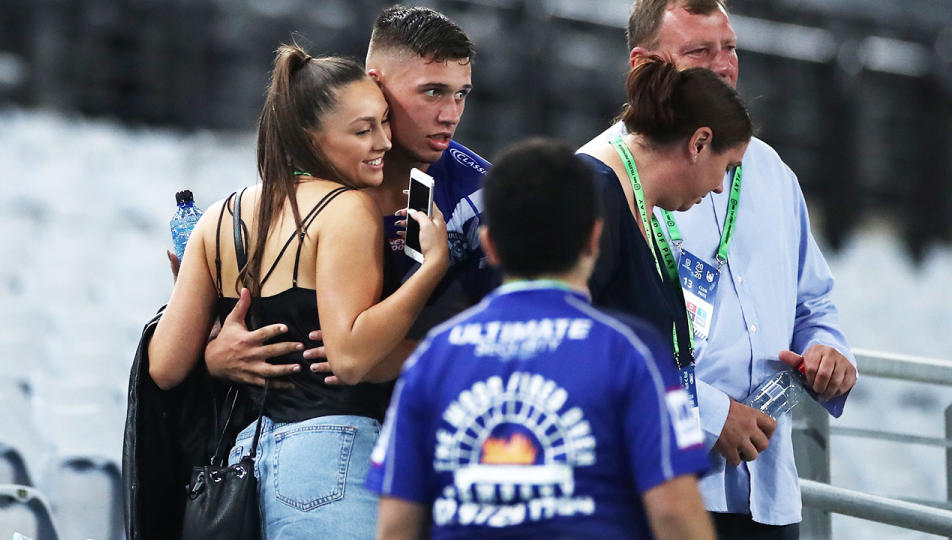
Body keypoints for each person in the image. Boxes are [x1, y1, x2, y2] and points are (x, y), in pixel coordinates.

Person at [578, 1, 858, 537]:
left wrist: (830, 351)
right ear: (645, 66)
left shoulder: (772, 172)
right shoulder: (600, 179)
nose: (724, 65)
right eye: (700, 51)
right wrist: (710, 415)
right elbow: (593, 343)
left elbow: (814, 302)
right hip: (660, 488)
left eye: (730, 48)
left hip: (770, 492)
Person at [147, 45, 448, 538]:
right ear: (311, 139)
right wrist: (432, 268)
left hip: (243, 462)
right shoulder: (346, 209)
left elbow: (165, 366)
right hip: (330, 460)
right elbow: (349, 357)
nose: (384, 143)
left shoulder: (216, 217)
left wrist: (215, 351)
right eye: (362, 130)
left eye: (383, 123)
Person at [367, 138, 715, 540]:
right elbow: (675, 513)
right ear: (593, 238)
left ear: (490, 245)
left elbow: (396, 524)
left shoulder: (432, 357)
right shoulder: (630, 353)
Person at [204, 5, 495, 387]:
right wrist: (213, 354)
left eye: (461, 94)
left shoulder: (483, 199)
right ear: (377, 84)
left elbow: (519, 334)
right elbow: (229, 308)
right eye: (433, 92)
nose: (451, 114)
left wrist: (390, 358)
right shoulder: (311, 182)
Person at [577, 55, 751, 422]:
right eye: (727, 168)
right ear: (700, 143)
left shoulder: (638, 202)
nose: (721, 187)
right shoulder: (593, 193)